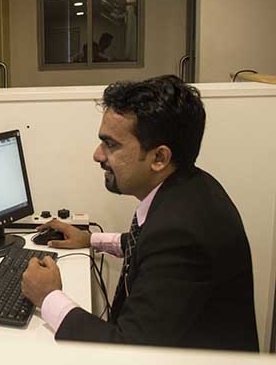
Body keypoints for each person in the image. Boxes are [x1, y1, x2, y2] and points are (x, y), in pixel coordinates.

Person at [21, 75, 258, 351]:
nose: (98, 155)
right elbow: (148, 244)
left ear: (159, 158)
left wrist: (48, 297)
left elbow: (130, 349)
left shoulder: (182, 234)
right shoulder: (191, 186)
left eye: (110, 144)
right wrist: (90, 240)